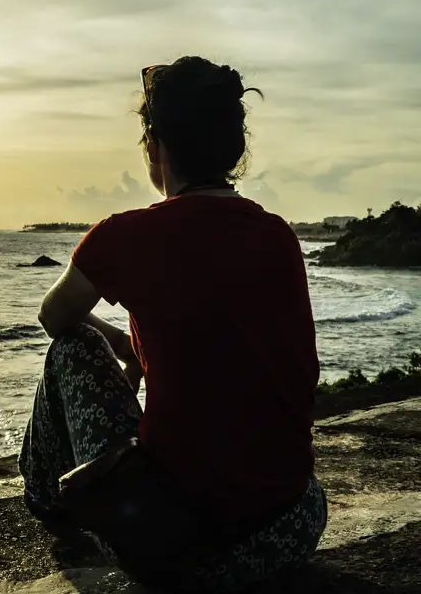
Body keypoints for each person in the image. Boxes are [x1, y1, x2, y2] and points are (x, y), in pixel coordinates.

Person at [18, 56, 327, 592]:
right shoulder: (278, 235)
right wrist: (135, 346)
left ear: (154, 148)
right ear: (233, 150)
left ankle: (50, 505)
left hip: (174, 545)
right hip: (291, 529)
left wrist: (112, 340)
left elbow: (54, 316)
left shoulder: (125, 236)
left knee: (72, 348)